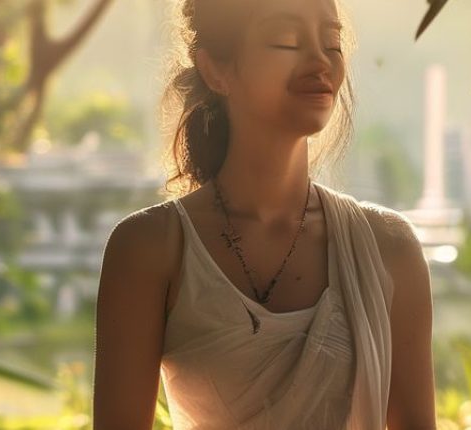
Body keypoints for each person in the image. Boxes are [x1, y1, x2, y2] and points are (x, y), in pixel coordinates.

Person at [92, 0, 437, 428]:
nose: (319, 62)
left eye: (331, 43)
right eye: (286, 41)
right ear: (218, 70)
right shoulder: (150, 249)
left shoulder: (389, 248)